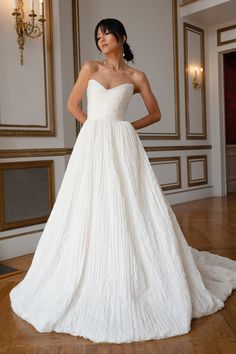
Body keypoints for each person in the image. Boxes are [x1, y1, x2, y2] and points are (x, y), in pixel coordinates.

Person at [10, 18, 236, 344]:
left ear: (122, 37)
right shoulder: (90, 68)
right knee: (89, 202)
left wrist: (127, 127)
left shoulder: (136, 76)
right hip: (93, 142)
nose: (101, 39)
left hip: (123, 142)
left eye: (107, 34)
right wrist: (94, 128)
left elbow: (156, 113)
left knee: (131, 202)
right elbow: (72, 105)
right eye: (97, 36)